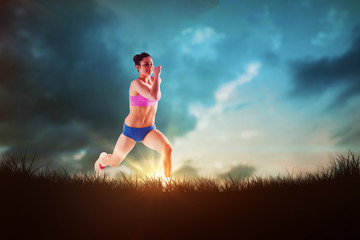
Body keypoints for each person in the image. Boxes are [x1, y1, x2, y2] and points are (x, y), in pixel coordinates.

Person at [94, 52, 172, 178]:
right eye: (146, 64)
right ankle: (103, 159)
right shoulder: (136, 84)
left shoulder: (155, 81)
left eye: (151, 64)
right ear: (138, 67)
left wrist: (156, 78)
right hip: (131, 131)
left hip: (149, 130)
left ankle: (168, 184)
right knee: (114, 162)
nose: (150, 67)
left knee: (167, 149)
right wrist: (157, 76)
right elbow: (154, 96)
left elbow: (155, 92)